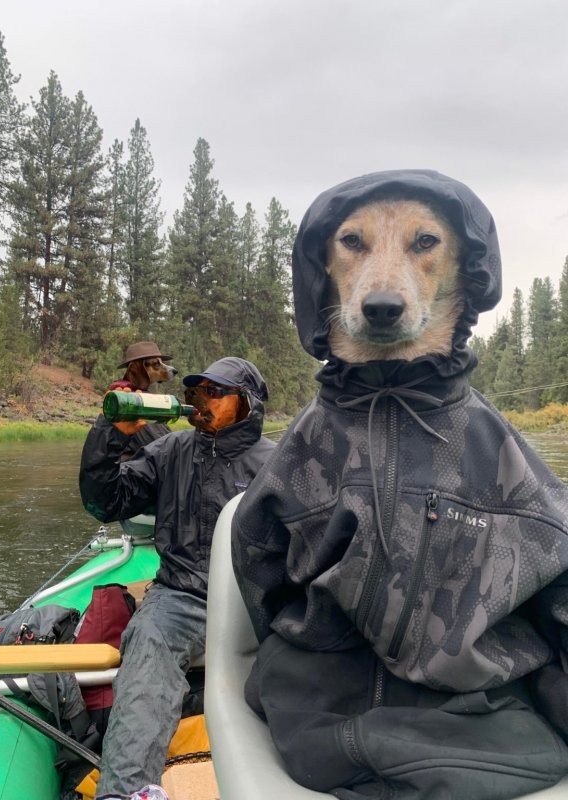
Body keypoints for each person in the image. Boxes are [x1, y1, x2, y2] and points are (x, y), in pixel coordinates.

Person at [231, 172, 568, 800]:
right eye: (355, 243)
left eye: (423, 243)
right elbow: (261, 575)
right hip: (318, 717)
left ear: (463, 269)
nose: (383, 288)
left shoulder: (497, 451)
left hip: (481, 727)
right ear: (325, 269)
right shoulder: (303, 448)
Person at [79, 356, 275, 800]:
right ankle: (126, 791)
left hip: (253, 601)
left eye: (213, 392)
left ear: (246, 404)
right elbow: (105, 503)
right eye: (194, 392)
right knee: (147, 637)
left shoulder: (277, 466)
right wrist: (110, 436)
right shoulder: (170, 451)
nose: (199, 401)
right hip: (180, 596)